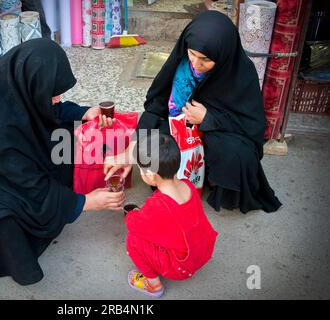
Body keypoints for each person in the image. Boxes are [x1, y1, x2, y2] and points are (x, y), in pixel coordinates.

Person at [0, 39, 124, 285]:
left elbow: (44, 110)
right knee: (2, 219)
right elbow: (27, 181)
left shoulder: (14, 86)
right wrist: (85, 203)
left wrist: (83, 112)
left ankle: (50, 212)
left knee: (62, 152)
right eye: (53, 92)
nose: (58, 98)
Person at [105, 11, 282, 214]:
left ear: (224, 54)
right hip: (182, 129)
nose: (196, 64)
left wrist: (209, 119)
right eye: (192, 54)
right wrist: (131, 151)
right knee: (154, 137)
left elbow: (251, 127)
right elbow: (156, 106)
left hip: (218, 135)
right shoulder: (181, 63)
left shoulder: (240, 72)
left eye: (205, 59)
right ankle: (180, 179)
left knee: (237, 153)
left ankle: (211, 180)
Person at [125, 133, 218, 298]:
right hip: (201, 252)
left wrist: (132, 214)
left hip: (181, 267)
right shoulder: (188, 185)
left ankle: (154, 286)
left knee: (133, 240)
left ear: (152, 175)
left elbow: (133, 225)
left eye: (140, 169)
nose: (140, 172)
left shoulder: (158, 205)